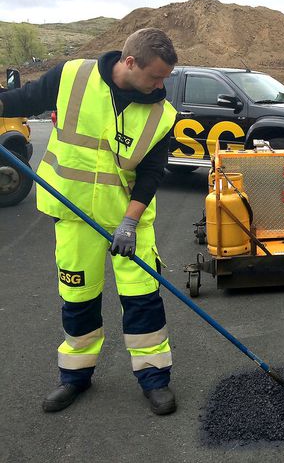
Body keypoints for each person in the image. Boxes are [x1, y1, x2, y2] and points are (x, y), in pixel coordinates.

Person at [0, 28, 179, 415]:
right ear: (129, 63)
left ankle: (154, 379)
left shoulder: (161, 114)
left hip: (129, 224)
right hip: (74, 217)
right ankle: (74, 378)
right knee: (77, 298)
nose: (160, 85)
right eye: (155, 77)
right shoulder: (71, 77)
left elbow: (151, 174)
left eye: (164, 78)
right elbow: (22, 99)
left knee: (143, 300)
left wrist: (129, 224)